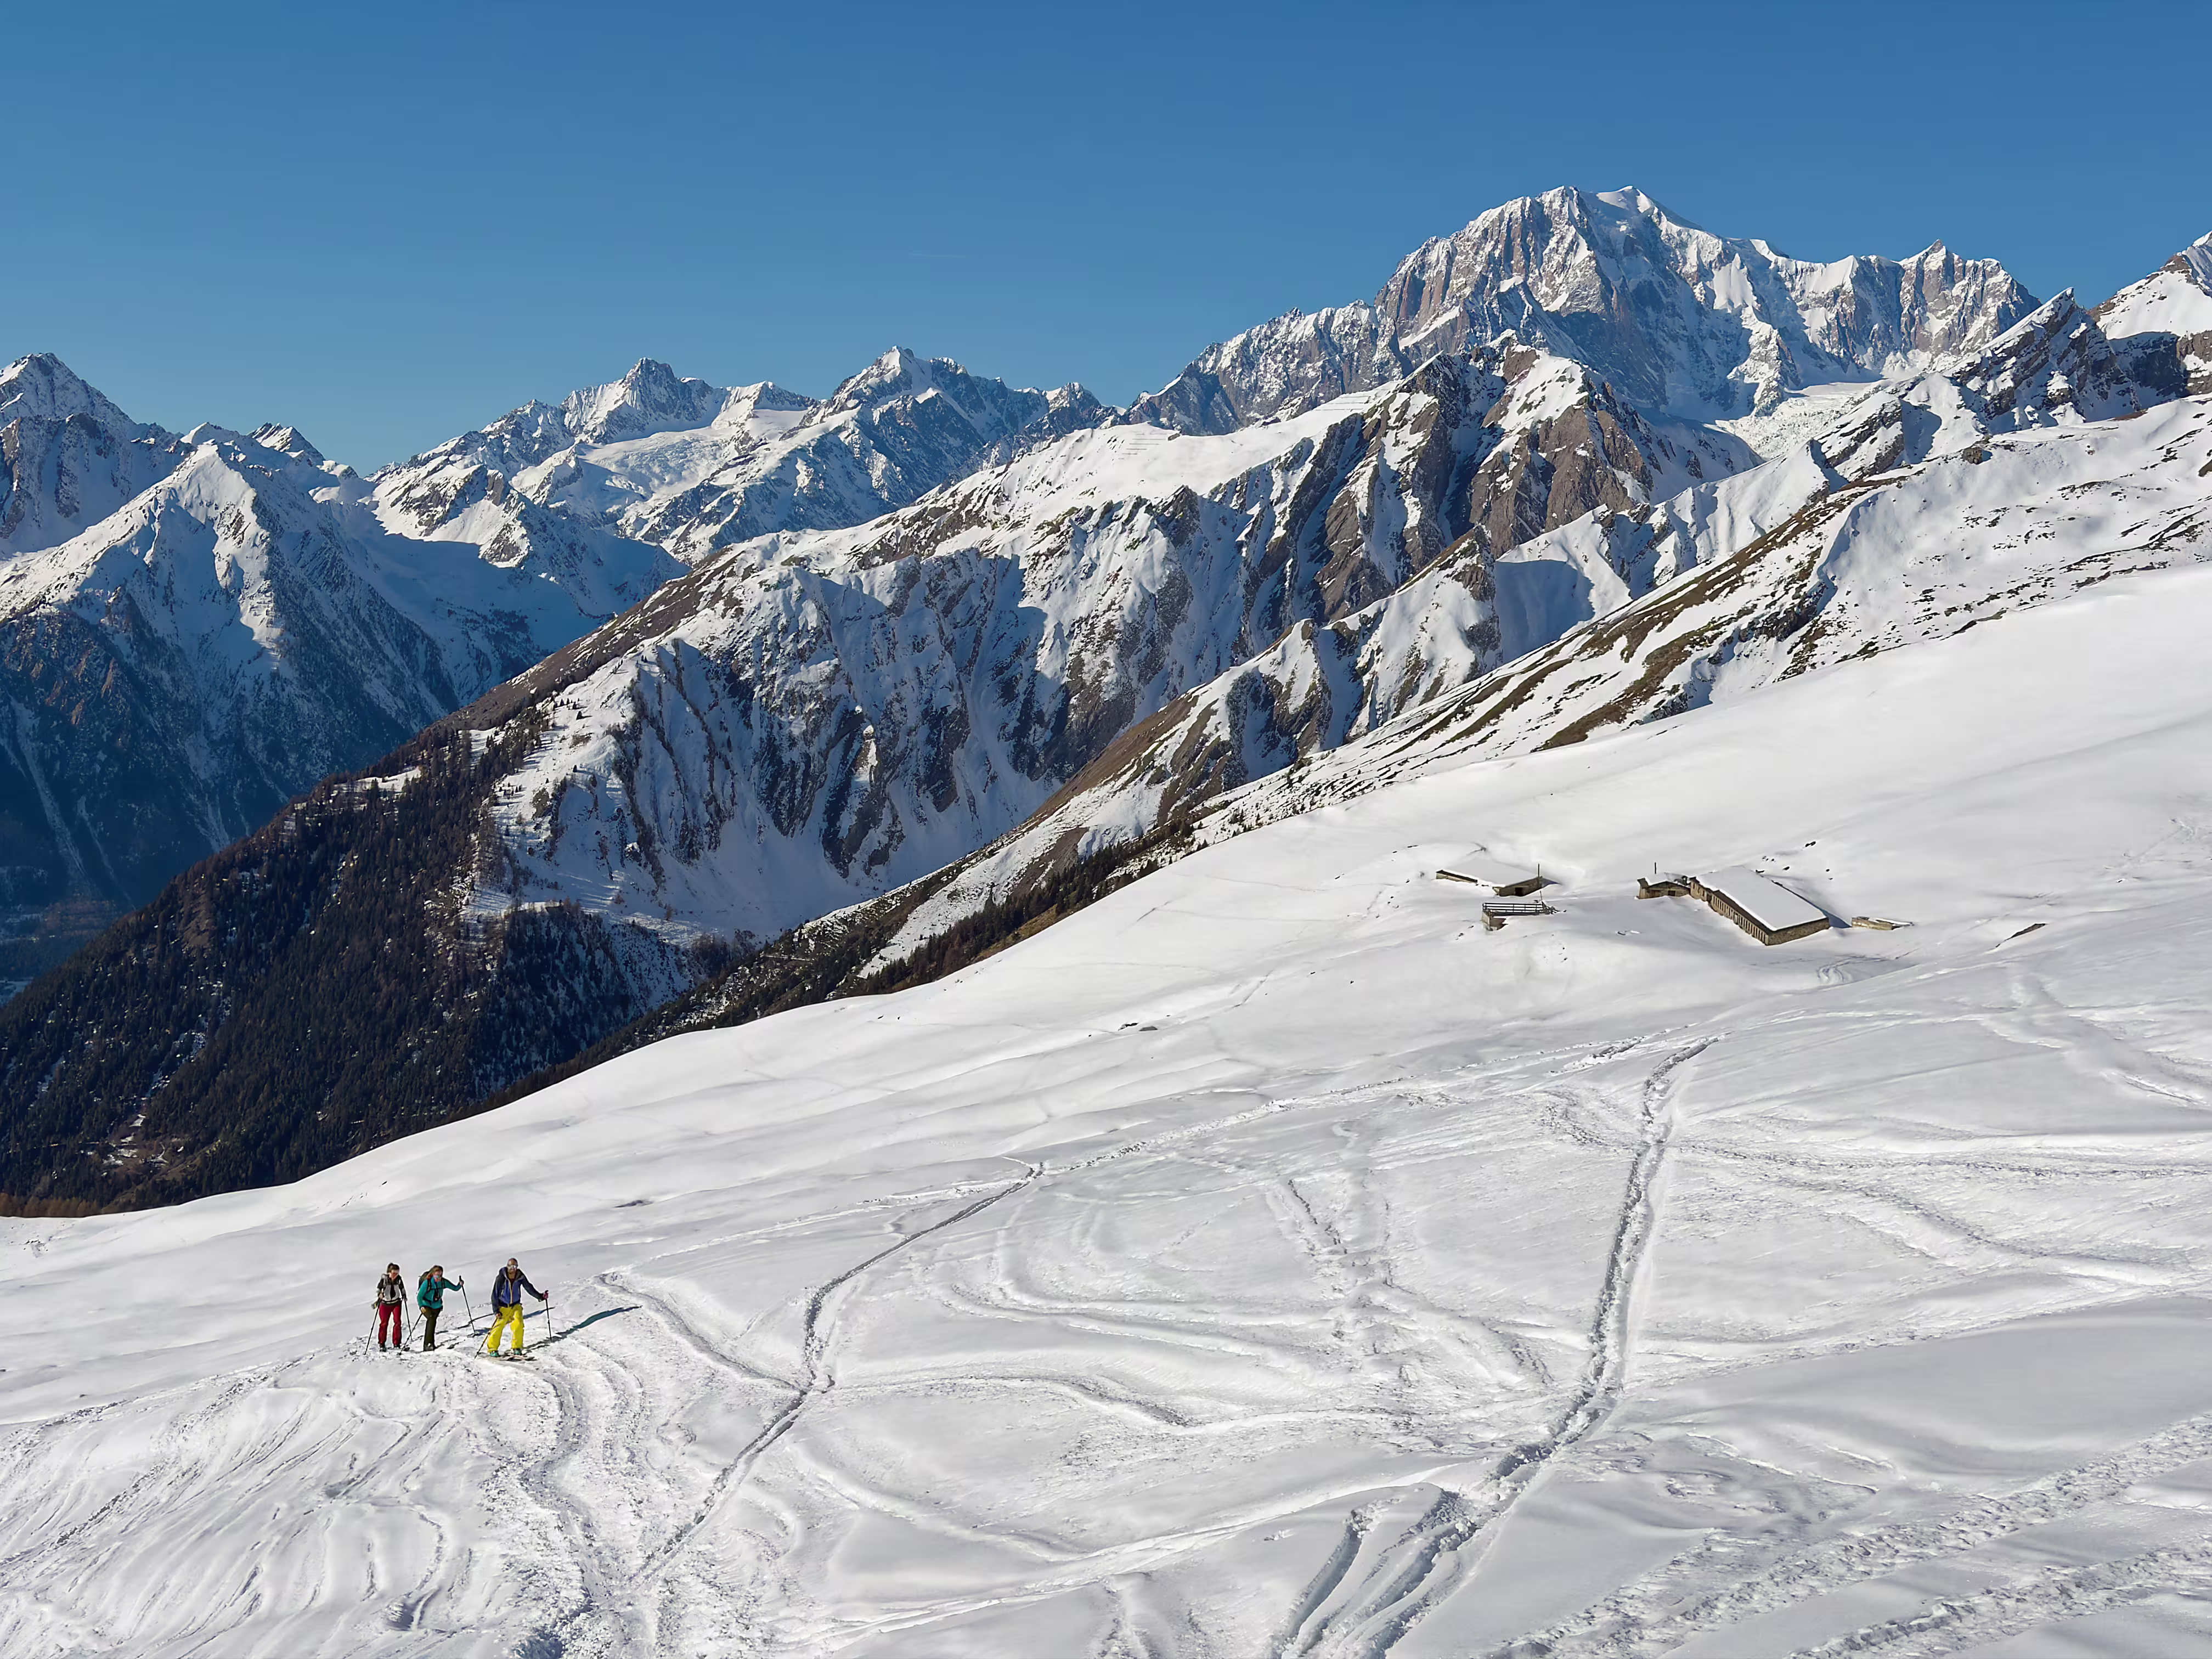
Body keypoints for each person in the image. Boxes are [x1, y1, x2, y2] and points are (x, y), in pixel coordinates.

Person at [486, 1257, 547, 1357]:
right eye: (511, 1266)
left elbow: (529, 1287)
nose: (513, 1269)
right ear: (508, 1266)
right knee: (498, 1326)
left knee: (519, 1324)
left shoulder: (520, 1276)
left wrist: (540, 1296)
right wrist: (496, 1310)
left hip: (516, 1305)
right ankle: (493, 1349)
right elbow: (495, 1294)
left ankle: (517, 1347)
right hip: (503, 1306)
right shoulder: (501, 1278)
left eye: (515, 1266)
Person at [417, 1265, 462, 1351]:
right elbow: (420, 1296)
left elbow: (455, 1288)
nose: (439, 1278)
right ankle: (427, 1344)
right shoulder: (428, 1282)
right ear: (433, 1275)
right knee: (431, 1319)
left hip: (437, 1305)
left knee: (433, 1322)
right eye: (437, 1276)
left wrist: (460, 1285)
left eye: (441, 1276)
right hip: (426, 1304)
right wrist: (421, 1306)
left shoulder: (443, 1282)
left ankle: (431, 1344)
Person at [374, 1263, 405, 1351]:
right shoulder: (384, 1280)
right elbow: (379, 1289)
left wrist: (404, 1295)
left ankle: (397, 1343)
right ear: (389, 1272)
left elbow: (402, 1288)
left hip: (396, 1303)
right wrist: (380, 1294)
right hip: (385, 1304)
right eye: (394, 1273)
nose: (396, 1275)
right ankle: (382, 1343)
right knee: (384, 1323)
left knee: (398, 1322)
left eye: (397, 1273)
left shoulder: (399, 1279)